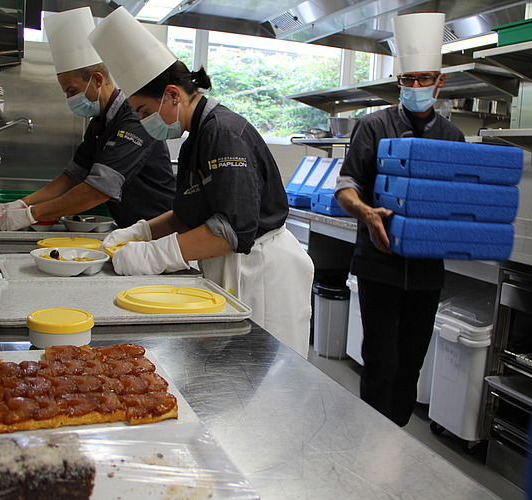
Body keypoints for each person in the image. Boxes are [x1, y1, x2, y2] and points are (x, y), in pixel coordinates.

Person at [87, 7, 314, 357]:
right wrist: (141, 232)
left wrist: (153, 255)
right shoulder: (197, 138)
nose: (145, 123)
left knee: (262, 373)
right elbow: (186, 214)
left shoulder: (224, 134)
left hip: (261, 271)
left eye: (145, 112)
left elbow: (230, 231)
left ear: (173, 95)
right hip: (232, 265)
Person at [334, 12, 465, 426]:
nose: (415, 88)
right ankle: (374, 439)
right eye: (408, 80)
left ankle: (399, 441)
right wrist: (367, 211)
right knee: (381, 362)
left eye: (424, 79)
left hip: (427, 271)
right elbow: (346, 186)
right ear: (399, 83)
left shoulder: (453, 137)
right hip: (380, 264)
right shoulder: (373, 126)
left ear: (439, 82)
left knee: (410, 364)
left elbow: (456, 197)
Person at [0, 7, 175, 231]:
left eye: (72, 90)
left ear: (97, 80)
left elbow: (98, 190)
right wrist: (23, 203)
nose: (71, 99)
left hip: (159, 228)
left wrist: (31, 214)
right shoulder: (99, 122)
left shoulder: (133, 119)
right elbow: (73, 176)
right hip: (132, 228)